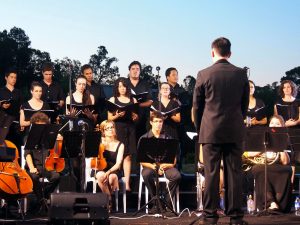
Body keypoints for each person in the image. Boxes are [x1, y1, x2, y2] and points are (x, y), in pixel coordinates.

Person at [193, 37, 249, 225]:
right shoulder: (241, 74)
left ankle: (210, 216)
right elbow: (244, 105)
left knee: (211, 173)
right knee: (235, 173)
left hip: (210, 131)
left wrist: (201, 128)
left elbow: (196, 107)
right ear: (230, 54)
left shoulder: (203, 74)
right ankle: (235, 217)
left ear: (212, 52)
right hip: (234, 130)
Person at [243, 115, 292, 212]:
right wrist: (263, 148)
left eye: (277, 124)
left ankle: (281, 205)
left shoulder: (285, 138)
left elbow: (285, 161)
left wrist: (279, 142)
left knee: (287, 169)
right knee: (260, 169)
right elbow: (247, 154)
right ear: (269, 125)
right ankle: (270, 203)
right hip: (261, 165)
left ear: (282, 127)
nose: (274, 125)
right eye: (272, 123)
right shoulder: (261, 136)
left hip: (277, 166)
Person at [139, 111, 181, 212]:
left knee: (176, 176)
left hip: (165, 166)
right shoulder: (144, 138)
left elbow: (173, 160)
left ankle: (166, 201)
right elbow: (141, 160)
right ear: (151, 122)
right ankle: (155, 202)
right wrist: (154, 167)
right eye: (156, 121)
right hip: (151, 166)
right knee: (146, 174)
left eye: (160, 121)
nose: (158, 124)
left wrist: (164, 166)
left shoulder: (168, 138)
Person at [24, 112, 60, 213]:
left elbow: (55, 153)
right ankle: (42, 200)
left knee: (56, 176)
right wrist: (31, 167)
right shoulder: (28, 137)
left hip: (47, 167)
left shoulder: (49, 138)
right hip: (33, 167)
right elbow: (27, 154)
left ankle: (41, 198)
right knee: (34, 177)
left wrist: (58, 141)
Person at [107, 77, 138, 192]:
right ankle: (115, 180)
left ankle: (127, 183)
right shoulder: (113, 99)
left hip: (130, 128)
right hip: (118, 128)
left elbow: (136, 117)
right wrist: (117, 115)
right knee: (118, 155)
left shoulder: (133, 100)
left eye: (124, 86)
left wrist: (135, 117)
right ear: (117, 88)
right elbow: (109, 118)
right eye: (120, 86)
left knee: (128, 156)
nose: (122, 88)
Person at [94, 120, 124, 211]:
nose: (111, 130)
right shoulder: (99, 141)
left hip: (114, 170)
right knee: (100, 175)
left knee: (111, 178)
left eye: (112, 127)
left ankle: (106, 203)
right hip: (100, 168)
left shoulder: (120, 145)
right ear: (103, 131)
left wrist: (109, 171)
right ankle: (110, 201)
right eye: (107, 128)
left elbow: (118, 164)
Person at [126, 61, 153, 138]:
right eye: (133, 69)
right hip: (127, 117)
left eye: (137, 69)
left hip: (143, 119)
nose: (135, 71)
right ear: (129, 70)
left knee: (141, 141)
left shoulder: (145, 84)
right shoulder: (124, 83)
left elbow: (150, 101)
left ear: (140, 71)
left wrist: (138, 104)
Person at [0, 68, 23, 148]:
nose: (14, 79)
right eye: (11, 77)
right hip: (2, 123)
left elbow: (21, 108)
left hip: (15, 123)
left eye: (15, 77)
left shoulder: (19, 92)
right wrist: (1, 105)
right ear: (6, 78)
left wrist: (22, 121)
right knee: (3, 146)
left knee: (16, 146)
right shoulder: (1, 91)